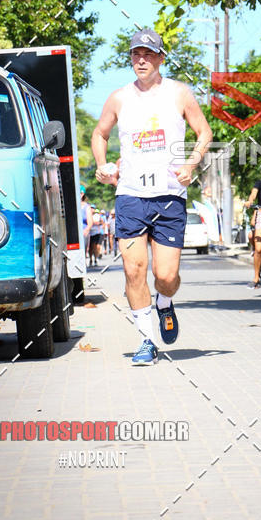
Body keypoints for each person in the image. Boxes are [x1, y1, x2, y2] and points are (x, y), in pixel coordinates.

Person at [92, 28, 212, 365]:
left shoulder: (179, 93)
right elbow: (100, 134)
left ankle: (163, 301)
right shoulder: (119, 98)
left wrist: (192, 163)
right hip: (131, 194)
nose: (141, 59)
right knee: (133, 270)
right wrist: (102, 165)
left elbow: (204, 132)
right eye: (135, 54)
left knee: (166, 276)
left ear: (160, 58)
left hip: (169, 196)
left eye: (148, 54)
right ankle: (146, 339)